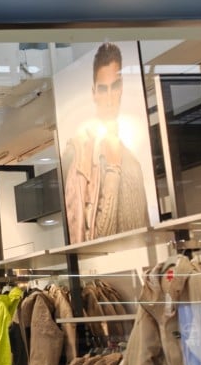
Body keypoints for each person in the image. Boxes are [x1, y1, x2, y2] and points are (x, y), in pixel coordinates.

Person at [61, 41, 149, 243]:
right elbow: (97, 243)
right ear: (94, 93)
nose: (109, 99)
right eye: (103, 89)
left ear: (122, 88)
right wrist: (112, 169)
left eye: (115, 87)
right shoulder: (79, 155)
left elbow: (145, 236)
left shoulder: (133, 162)